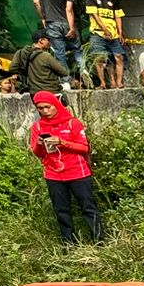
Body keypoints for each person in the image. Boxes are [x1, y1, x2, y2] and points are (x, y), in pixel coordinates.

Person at [28, 92, 104, 245]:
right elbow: (36, 153)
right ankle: (69, 243)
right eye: (40, 108)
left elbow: (84, 147)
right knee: (61, 211)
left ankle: (99, 240)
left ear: (56, 105)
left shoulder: (72, 123)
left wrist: (62, 142)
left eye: (47, 107)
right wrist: (39, 144)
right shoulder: (37, 127)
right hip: (53, 174)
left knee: (88, 207)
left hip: (77, 172)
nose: (45, 111)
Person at [32, 0, 79, 73]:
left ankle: (65, 80)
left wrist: (42, 17)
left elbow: (36, 1)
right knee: (76, 49)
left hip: (52, 22)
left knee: (59, 53)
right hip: (67, 23)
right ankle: (84, 70)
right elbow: (69, 10)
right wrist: (72, 29)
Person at [84, 0, 128, 89]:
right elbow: (95, 15)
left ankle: (119, 83)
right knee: (99, 59)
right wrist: (104, 30)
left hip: (113, 34)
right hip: (98, 33)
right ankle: (103, 83)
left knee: (119, 57)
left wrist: (119, 33)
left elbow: (118, 16)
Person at [11, 31, 71, 96]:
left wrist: (27, 72)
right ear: (41, 40)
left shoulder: (20, 53)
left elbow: (12, 68)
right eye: (48, 40)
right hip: (51, 92)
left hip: (34, 93)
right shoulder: (46, 56)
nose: (50, 43)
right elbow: (64, 72)